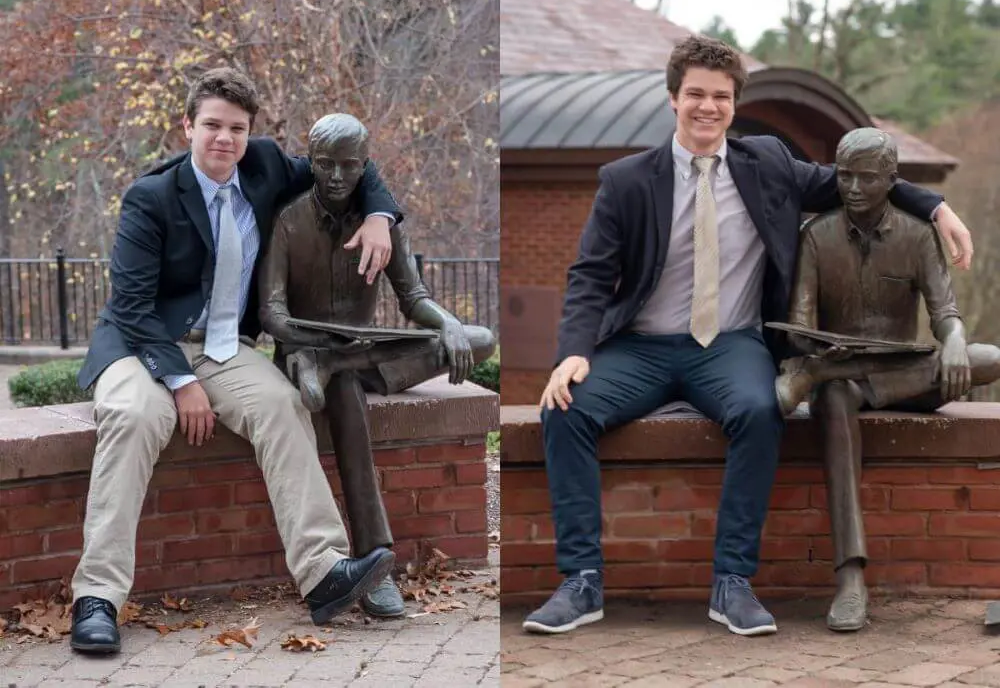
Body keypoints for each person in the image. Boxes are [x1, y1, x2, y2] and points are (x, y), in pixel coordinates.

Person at [521, 35, 974, 638]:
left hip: (730, 344)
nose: (708, 107)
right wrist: (574, 352)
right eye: (695, 95)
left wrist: (937, 207)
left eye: (721, 97)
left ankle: (732, 582)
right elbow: (591, 275)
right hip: (641, 346)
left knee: (763, 412)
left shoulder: (770, 164)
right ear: (672, 98)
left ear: (735, 104)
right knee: (565, 410)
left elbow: (856, 180)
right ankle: (581, 582)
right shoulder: (627, 181)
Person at [70, 68, 403, 654]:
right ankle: (97, 598)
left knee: (281, 404)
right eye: (212, 126)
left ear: (251, 133)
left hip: (226, 347)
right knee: (137, 418)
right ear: (188, 127)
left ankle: (324, 572)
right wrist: (179, 381)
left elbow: (354, 164)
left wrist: (381, 216)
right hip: (143, 344)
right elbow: (130, 306)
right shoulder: (151, 198)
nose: (224, 138)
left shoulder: (268, 167)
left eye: (237, 128)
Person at [258, 112, 496, 618]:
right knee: (342, 391)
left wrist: (448, 323)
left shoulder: (382, 225)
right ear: (312, 163)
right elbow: (271, 315)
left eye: (349, 166)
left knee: (479, 339)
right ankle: (376, 564)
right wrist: (313, 340)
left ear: (365, 165)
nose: (338, 177)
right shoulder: (289, 220)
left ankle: (333, 361)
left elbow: (414, 298)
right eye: (326, 165)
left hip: (361, 352)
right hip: (304, 351)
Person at [774, 127, 1000, 631]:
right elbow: (800, 327)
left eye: (867, 178)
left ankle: (824, 375)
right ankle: (851, 579)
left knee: (989, 356)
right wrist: (814, 348)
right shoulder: (816, 236)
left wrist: (956, 340)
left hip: (906, 375)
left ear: (891, 180)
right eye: (844, 176)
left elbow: (944, 311)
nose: (852, 188)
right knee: (833, 397)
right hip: (845, 385)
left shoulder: (919, 235)